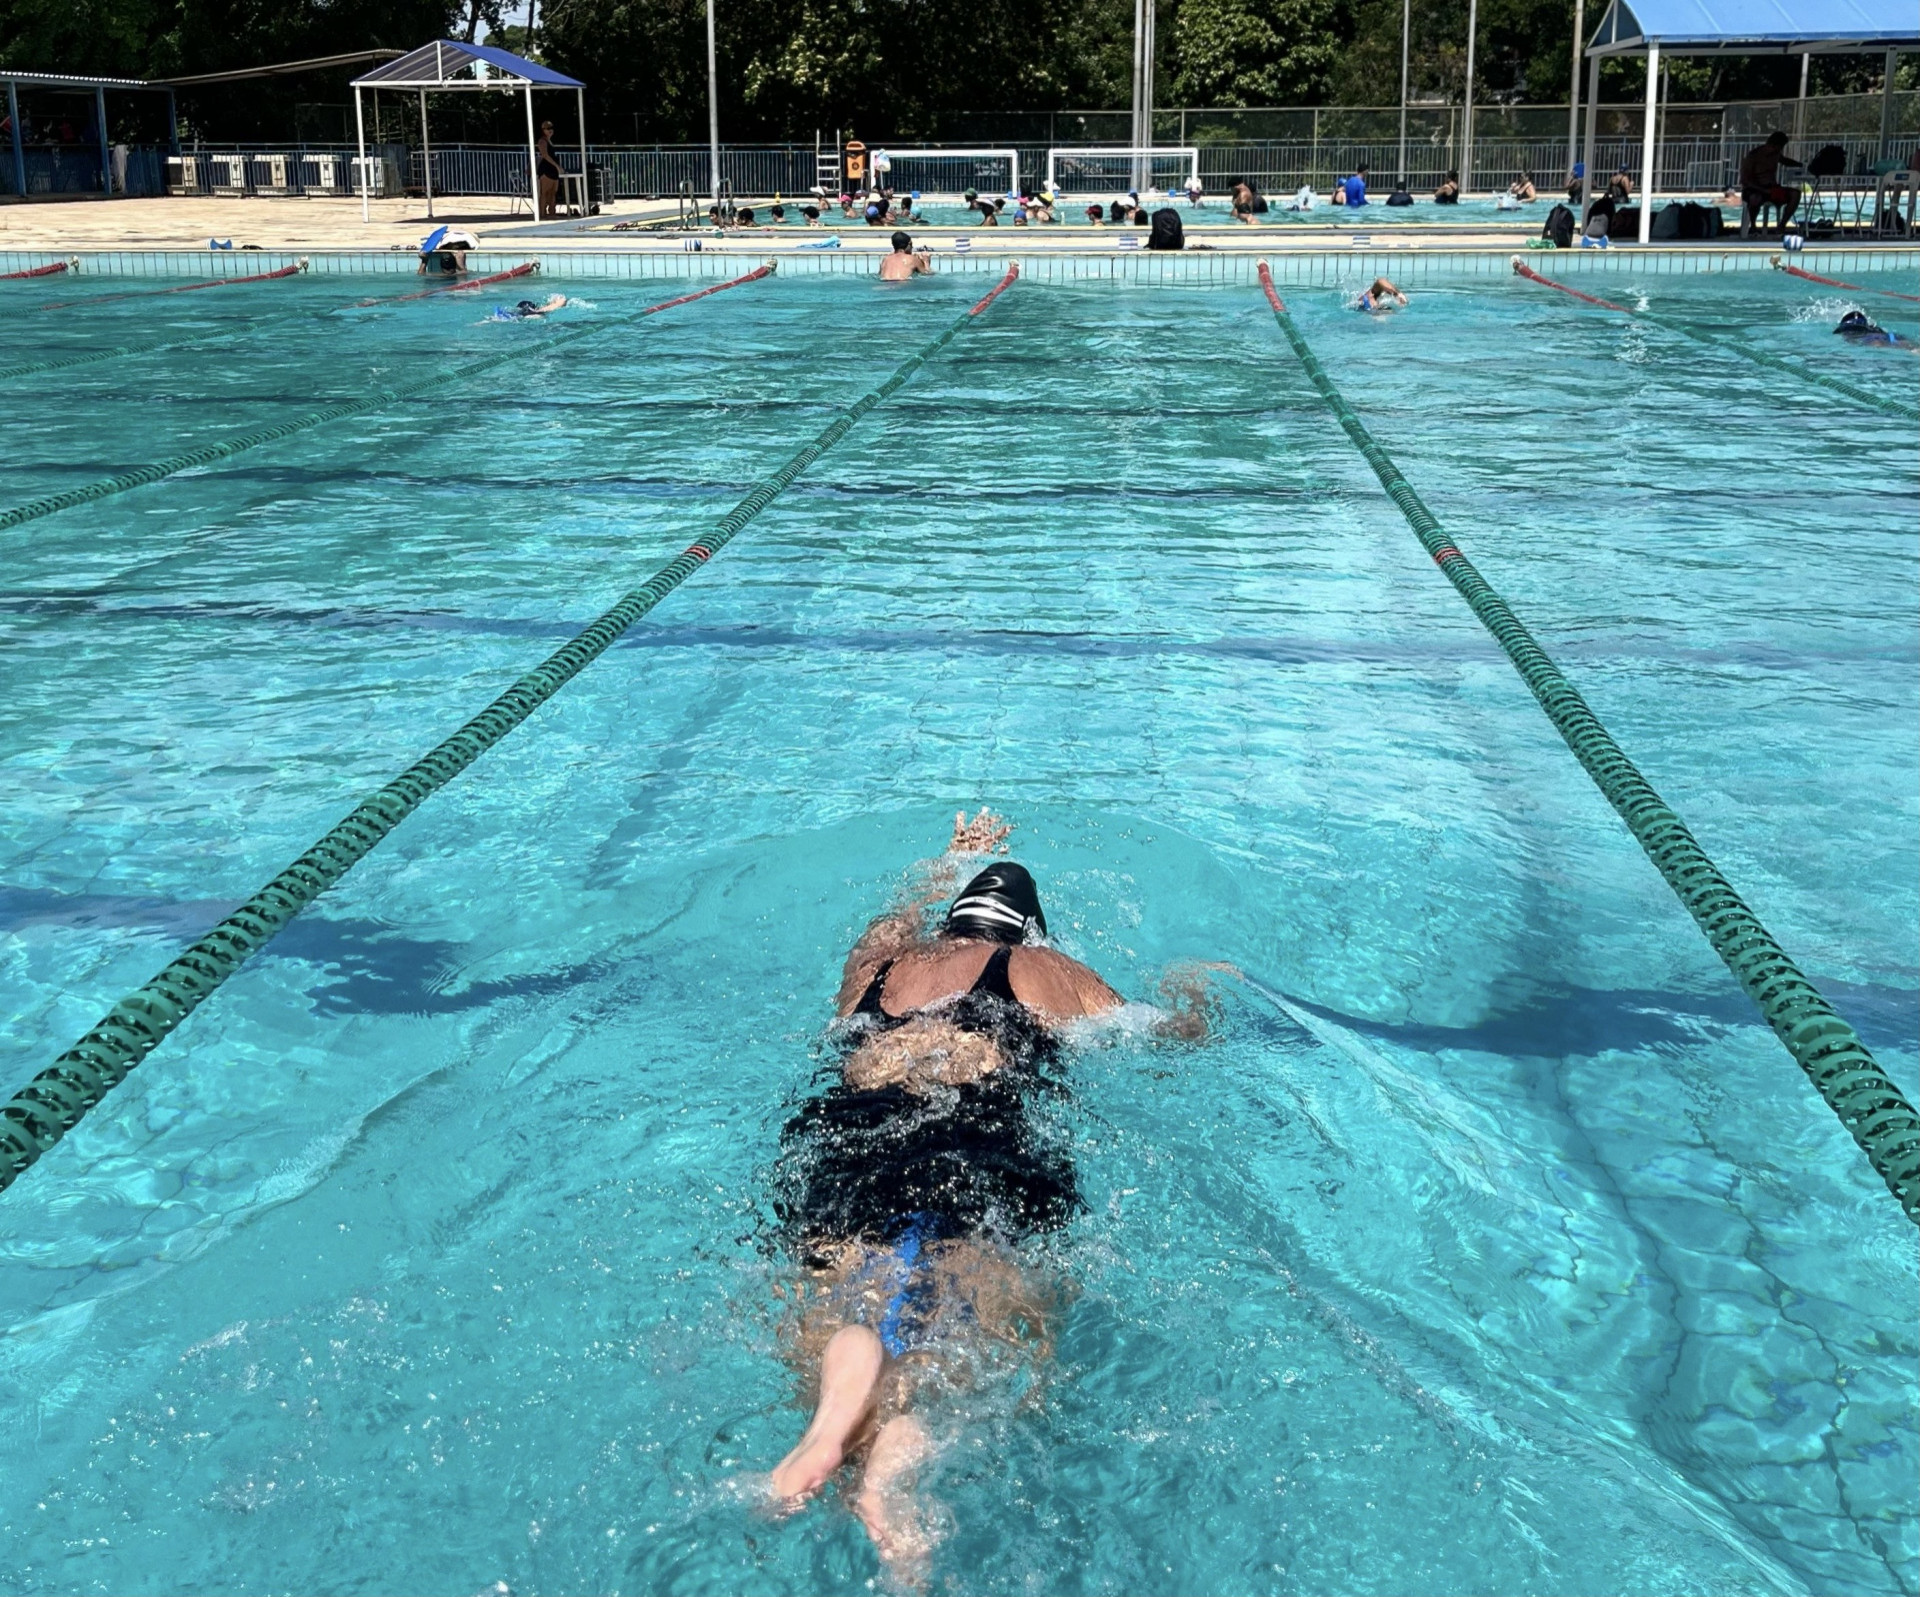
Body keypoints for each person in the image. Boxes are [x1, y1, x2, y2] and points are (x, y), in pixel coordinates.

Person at [764, 812, 1225, 1573]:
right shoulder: (1041, 971)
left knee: (845, 1293)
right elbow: (1167, 1034)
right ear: (1028, 934)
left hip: (851, 1135)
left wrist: (951, 857)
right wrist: (1194, 993)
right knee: (998, 1323)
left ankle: (835, 1419)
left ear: (949, 922)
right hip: (973, 1138)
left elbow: (890, 913)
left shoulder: (876, 971)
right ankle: (896, 1460)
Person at [1739, 131, 1804, 233]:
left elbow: (1785, 161)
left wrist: (1801, 165)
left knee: (1795, 194)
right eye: (1780, 147)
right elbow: (1745, 180)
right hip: (1754, 189)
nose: (1780, 150)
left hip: (1771, 189)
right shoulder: (1753, 156)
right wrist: (1762, 189)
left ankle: (1782, 225)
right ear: (1773, 145)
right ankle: (1753, 226)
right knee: (1755, 198)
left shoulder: (1776, 154)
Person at [1834, 309, 1917, 350]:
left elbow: (1877, 343)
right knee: (1911, 347)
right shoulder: (1877, 330)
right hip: (1891, 336)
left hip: (1877, 340)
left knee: (1877, 344)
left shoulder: (1864, 337)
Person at [536, 120, 563, 218]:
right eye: (547, 128)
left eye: (551, 128)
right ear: (543, 130)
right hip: (546, 169)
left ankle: (552, 212)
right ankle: (542, 213)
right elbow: (545, 155)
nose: (550, 130)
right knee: (544, 193)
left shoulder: (550, 141)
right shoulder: (542, 141)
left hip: (553, 170)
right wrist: (557, 166)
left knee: (553, 192)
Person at [488, 294, 570, 321]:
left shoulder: (544, 306)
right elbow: (563, 300)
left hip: (522, 311)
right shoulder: (545, 308)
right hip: (533, 313)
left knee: (514, 315)